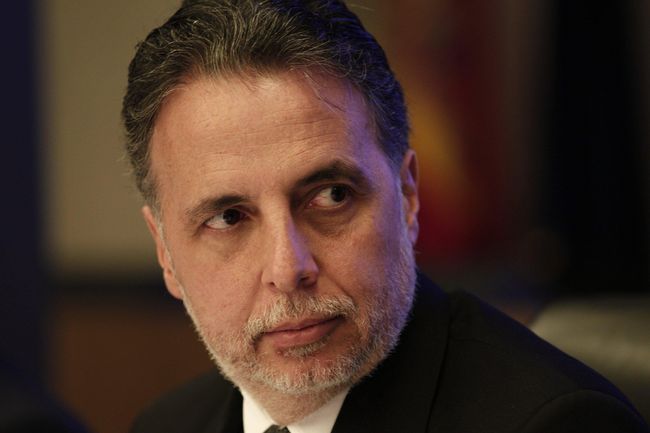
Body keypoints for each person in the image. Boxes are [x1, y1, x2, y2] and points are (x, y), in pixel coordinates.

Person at [122, 1, 649, 432]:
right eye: (229, 218)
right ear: (166, 252)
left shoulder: (556, 423)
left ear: (408, 194)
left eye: (331, 196)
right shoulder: (166, 425)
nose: (288, 268)